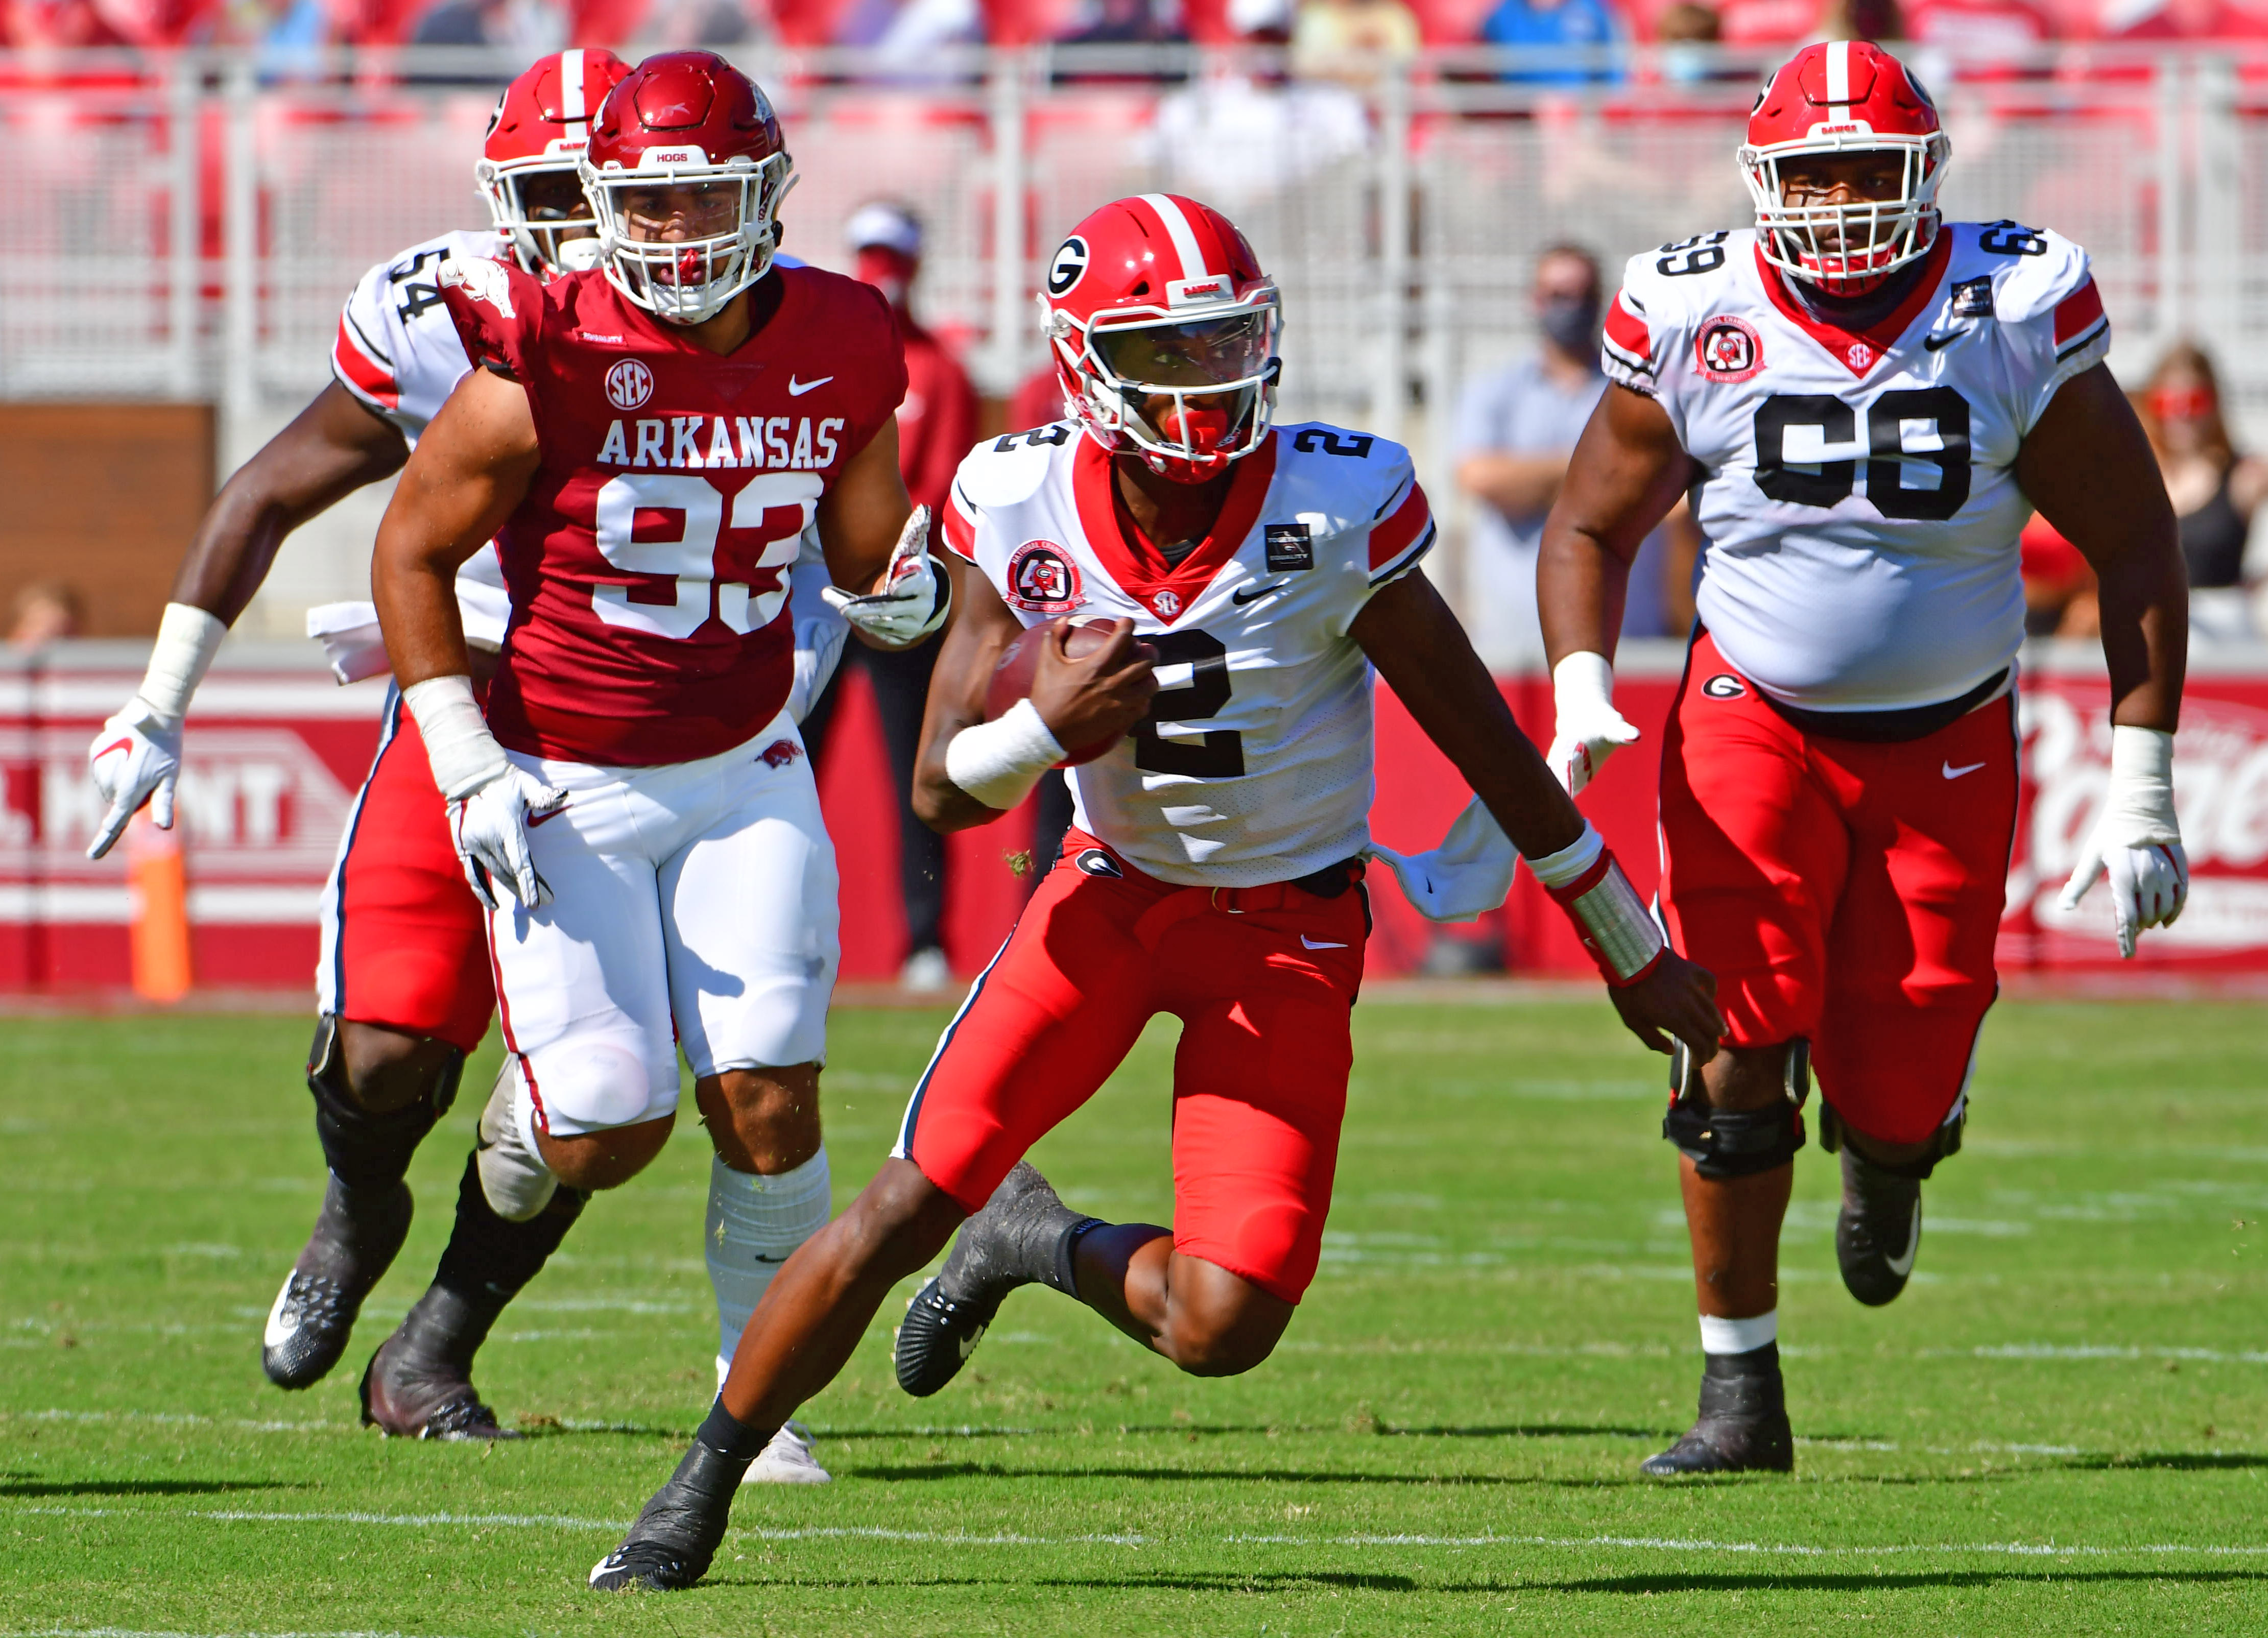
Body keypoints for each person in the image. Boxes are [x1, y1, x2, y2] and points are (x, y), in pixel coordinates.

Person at [587, 191, 1725, 1594]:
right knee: (897, 1208)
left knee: (1223, 1323)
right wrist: (1041, 735)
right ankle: (695, 1488)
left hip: (1290, 927)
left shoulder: (1333, 500)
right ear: (1087, 366)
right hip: (1107, 902)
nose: (1209, 381)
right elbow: (943, 789)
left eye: (1226, 343)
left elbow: (1483, 742)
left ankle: (1040, 1242)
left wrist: (1623, 942)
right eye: (1170, 352)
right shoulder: (1016, 501)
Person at [1537, 40, 2189, 1476]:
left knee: (1895, 1086)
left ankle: (1897, 1152)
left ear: (1928, 176)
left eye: (1867, 173)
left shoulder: (2008, 301)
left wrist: (2143, 785)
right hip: (1747, 719)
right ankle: (1739, 1394)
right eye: (1810, 175)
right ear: (1761, 185)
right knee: (1735, 1044)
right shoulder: (1694, 304)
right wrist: (1582, 677)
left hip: (1945, 743)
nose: (1837, 204)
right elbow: (1588, 525)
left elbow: (2134, 540)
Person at [80, 51, 697, 1446]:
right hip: (460, 701)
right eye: (558, 197)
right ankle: (359, 1207)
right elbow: (274, 486)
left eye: (614, 200)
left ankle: (432, 1350)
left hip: (652, 735)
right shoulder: (439, 315)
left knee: (591, 1104)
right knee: (381, 1051)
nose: (586, 233)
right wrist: (162, 699)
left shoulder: (738, 333)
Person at [367, 51, 938, 1472]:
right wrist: (461, 758)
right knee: (604, 1127)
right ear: (607, 203)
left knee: (768, 1091)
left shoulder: (848, 333)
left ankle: (767, 1402)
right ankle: (527, 1113)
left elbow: (869, 553)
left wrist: (907, 591)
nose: (680, 236)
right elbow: (410, 550)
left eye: (709, 202)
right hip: (561, 772)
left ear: (769, 195)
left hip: (745, 760)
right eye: (652, 205)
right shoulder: (545, 342)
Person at [802, 202, 982, 992]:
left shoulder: (941, 370)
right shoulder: (826, 361)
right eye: (869, 254)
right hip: (820, 589)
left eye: (892, 256)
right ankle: (788, 928)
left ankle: (924, 940)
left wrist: (884, 551)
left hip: (906, 598)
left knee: (915, 766)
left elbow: (941, 486)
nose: (881, 272)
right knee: (792, 764)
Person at [1453, 244, 1679, 669]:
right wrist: (1607, 474)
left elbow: (1672, 496)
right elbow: (1482, 478)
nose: (1571, 307)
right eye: (1558, 295)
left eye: (1582, 295)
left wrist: (1537, 481)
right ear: (1534, 300)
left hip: (1631, 647)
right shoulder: (1494, 391)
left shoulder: (1643, 391)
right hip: (1516, 649)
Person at [2135, 342, 2268, 643]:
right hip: (2154, 630)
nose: (2182, 415)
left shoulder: (2244, 476)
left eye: (2194, 401)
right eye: (2169, 403)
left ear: (2215, 403)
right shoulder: (2139, 480)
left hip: (2224, 634)